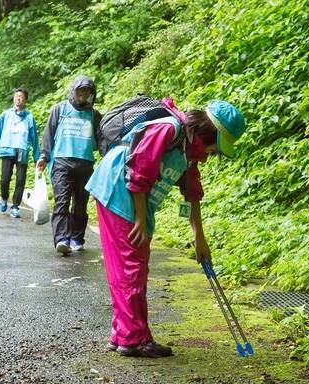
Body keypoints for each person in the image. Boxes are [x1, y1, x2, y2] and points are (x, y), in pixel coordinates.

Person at [85, 98, 246, 358]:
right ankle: (134, 339)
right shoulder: (170, 129)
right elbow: (140, 168)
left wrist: (199, 237)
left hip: (133, 198)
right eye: (213, 150)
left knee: (131, 267)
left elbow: (192, 192)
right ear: (208, 134)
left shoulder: (189, 151)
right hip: (118, 190)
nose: (209, 157)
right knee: (131, 267)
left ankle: (122, 332)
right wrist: (139, 219)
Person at [36, 76, 101, 254]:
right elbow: (48, 134)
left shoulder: (94, 114)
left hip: (85, 164)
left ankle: (76, 238)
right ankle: (61, 239)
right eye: (80, 90)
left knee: (80, 204)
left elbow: (101, 140)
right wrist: (44, 156)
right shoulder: (60, 109)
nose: (82, 94)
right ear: (73, 91)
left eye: (86, 91)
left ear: (90, 94)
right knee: (62, 202)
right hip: (61, 162)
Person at [0, 88, 40, 218]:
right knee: (5, 178)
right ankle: (4, 198)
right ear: (13, 98)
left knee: (20, 180)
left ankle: (16, 206)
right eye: (16, 96)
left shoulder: (29, 117)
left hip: (22, 151)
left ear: (25, 100)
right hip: (7, 149)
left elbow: (34, 138)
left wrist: (37, 157)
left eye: (21, 96)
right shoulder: (5, 114)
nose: (18, 98)